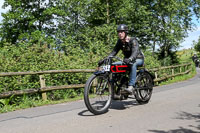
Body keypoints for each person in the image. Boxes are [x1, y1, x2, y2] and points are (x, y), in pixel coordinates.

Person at [98, 24, 144, 94]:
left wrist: (130, 59)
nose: (120, 34)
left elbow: (135, 52)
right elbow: (114, 52)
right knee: (113, 65)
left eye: (122, 32)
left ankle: (131, 86)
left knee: (133, 64)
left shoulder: (132, 40)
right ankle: (114, 86)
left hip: (138, 59)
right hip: (126, 60)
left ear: (126, 33)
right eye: (118, 32)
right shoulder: (119, 42)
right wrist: (105, 59)